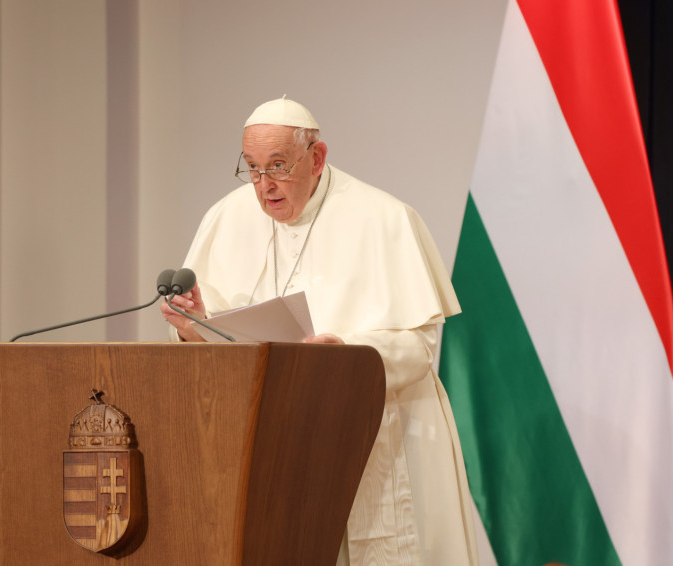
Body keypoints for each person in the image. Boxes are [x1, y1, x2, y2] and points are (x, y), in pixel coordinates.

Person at [161, 97, 478, 566]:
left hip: (378, 431)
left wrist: (348, 354)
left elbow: (418, 348)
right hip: (274, 441)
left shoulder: (383, 217)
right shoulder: (225, 218)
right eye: (252, 168)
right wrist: (196, 327)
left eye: (278, 166)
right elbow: (223, 348)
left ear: (317, 157)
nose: (264, 185)